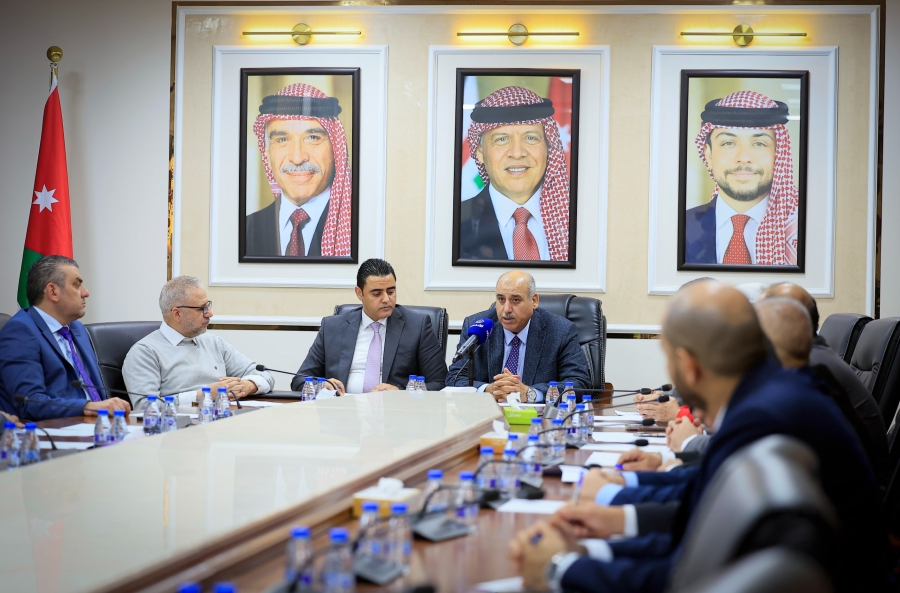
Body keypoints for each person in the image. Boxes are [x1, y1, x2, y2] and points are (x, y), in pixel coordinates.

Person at [508, 280, 884, 592]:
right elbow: (701, 519)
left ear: (687, 365)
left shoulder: (763, 416)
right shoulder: (769, 395)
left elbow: (687, 573)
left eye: (669, 358)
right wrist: (599, 540)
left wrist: (561, 568)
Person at [0, 255, 131, 420]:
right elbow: (29, 402)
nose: (86, 292)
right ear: (53, 292)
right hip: (52, 429)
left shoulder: (76, 328)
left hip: (98, 424)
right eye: (77, 284)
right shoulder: (20, 331)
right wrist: (88, 407)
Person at [293, 259, 448, 394]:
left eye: (391, 291)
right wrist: (320, 386)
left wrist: (401, 392)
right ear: (359, 293)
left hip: (394, 413)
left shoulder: (417, 326)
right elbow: (299, 381)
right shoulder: (332, 327)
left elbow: (440, 382)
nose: (386, 299)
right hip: (343, 411)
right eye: (377, 294)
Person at [122, 276, 274, 410]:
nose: (210, 313)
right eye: (202, 308)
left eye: (208, 305)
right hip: (179, 429)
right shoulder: (145, 352)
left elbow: (265, 375)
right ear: (177, 314)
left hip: (224, 421)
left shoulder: (214, 343)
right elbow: (145, 407)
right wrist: (202, 395)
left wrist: (247, 386)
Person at [684, 91, 799, 266]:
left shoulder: (803, 228)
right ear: (708, 154)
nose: (744, 157)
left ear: (779, 153)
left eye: (759, 144)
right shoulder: (679, 227)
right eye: (728, 143)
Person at [458, 86, 570, 262]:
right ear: (479, 152)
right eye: (502, 139)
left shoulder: (577, 221)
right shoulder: (455, 222)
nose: (517, 153)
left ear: (549, 147)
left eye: (530, 138)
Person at [446, 271, 590, 402]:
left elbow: (579, 383)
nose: (506, 309)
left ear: (534, 301)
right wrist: (487, 390)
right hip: (488, 414)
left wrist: (530, 393)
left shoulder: (560, 331)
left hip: (538, 417)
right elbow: (454, 377)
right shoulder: (477, 328)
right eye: (501, 299)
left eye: (515, 300)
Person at [245, 83, 352, 258]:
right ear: (267, 154)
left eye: (313, 138)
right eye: (282, 140)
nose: (297, 157)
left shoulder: (359, 227)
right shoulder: (245, 230)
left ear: (336, 149)